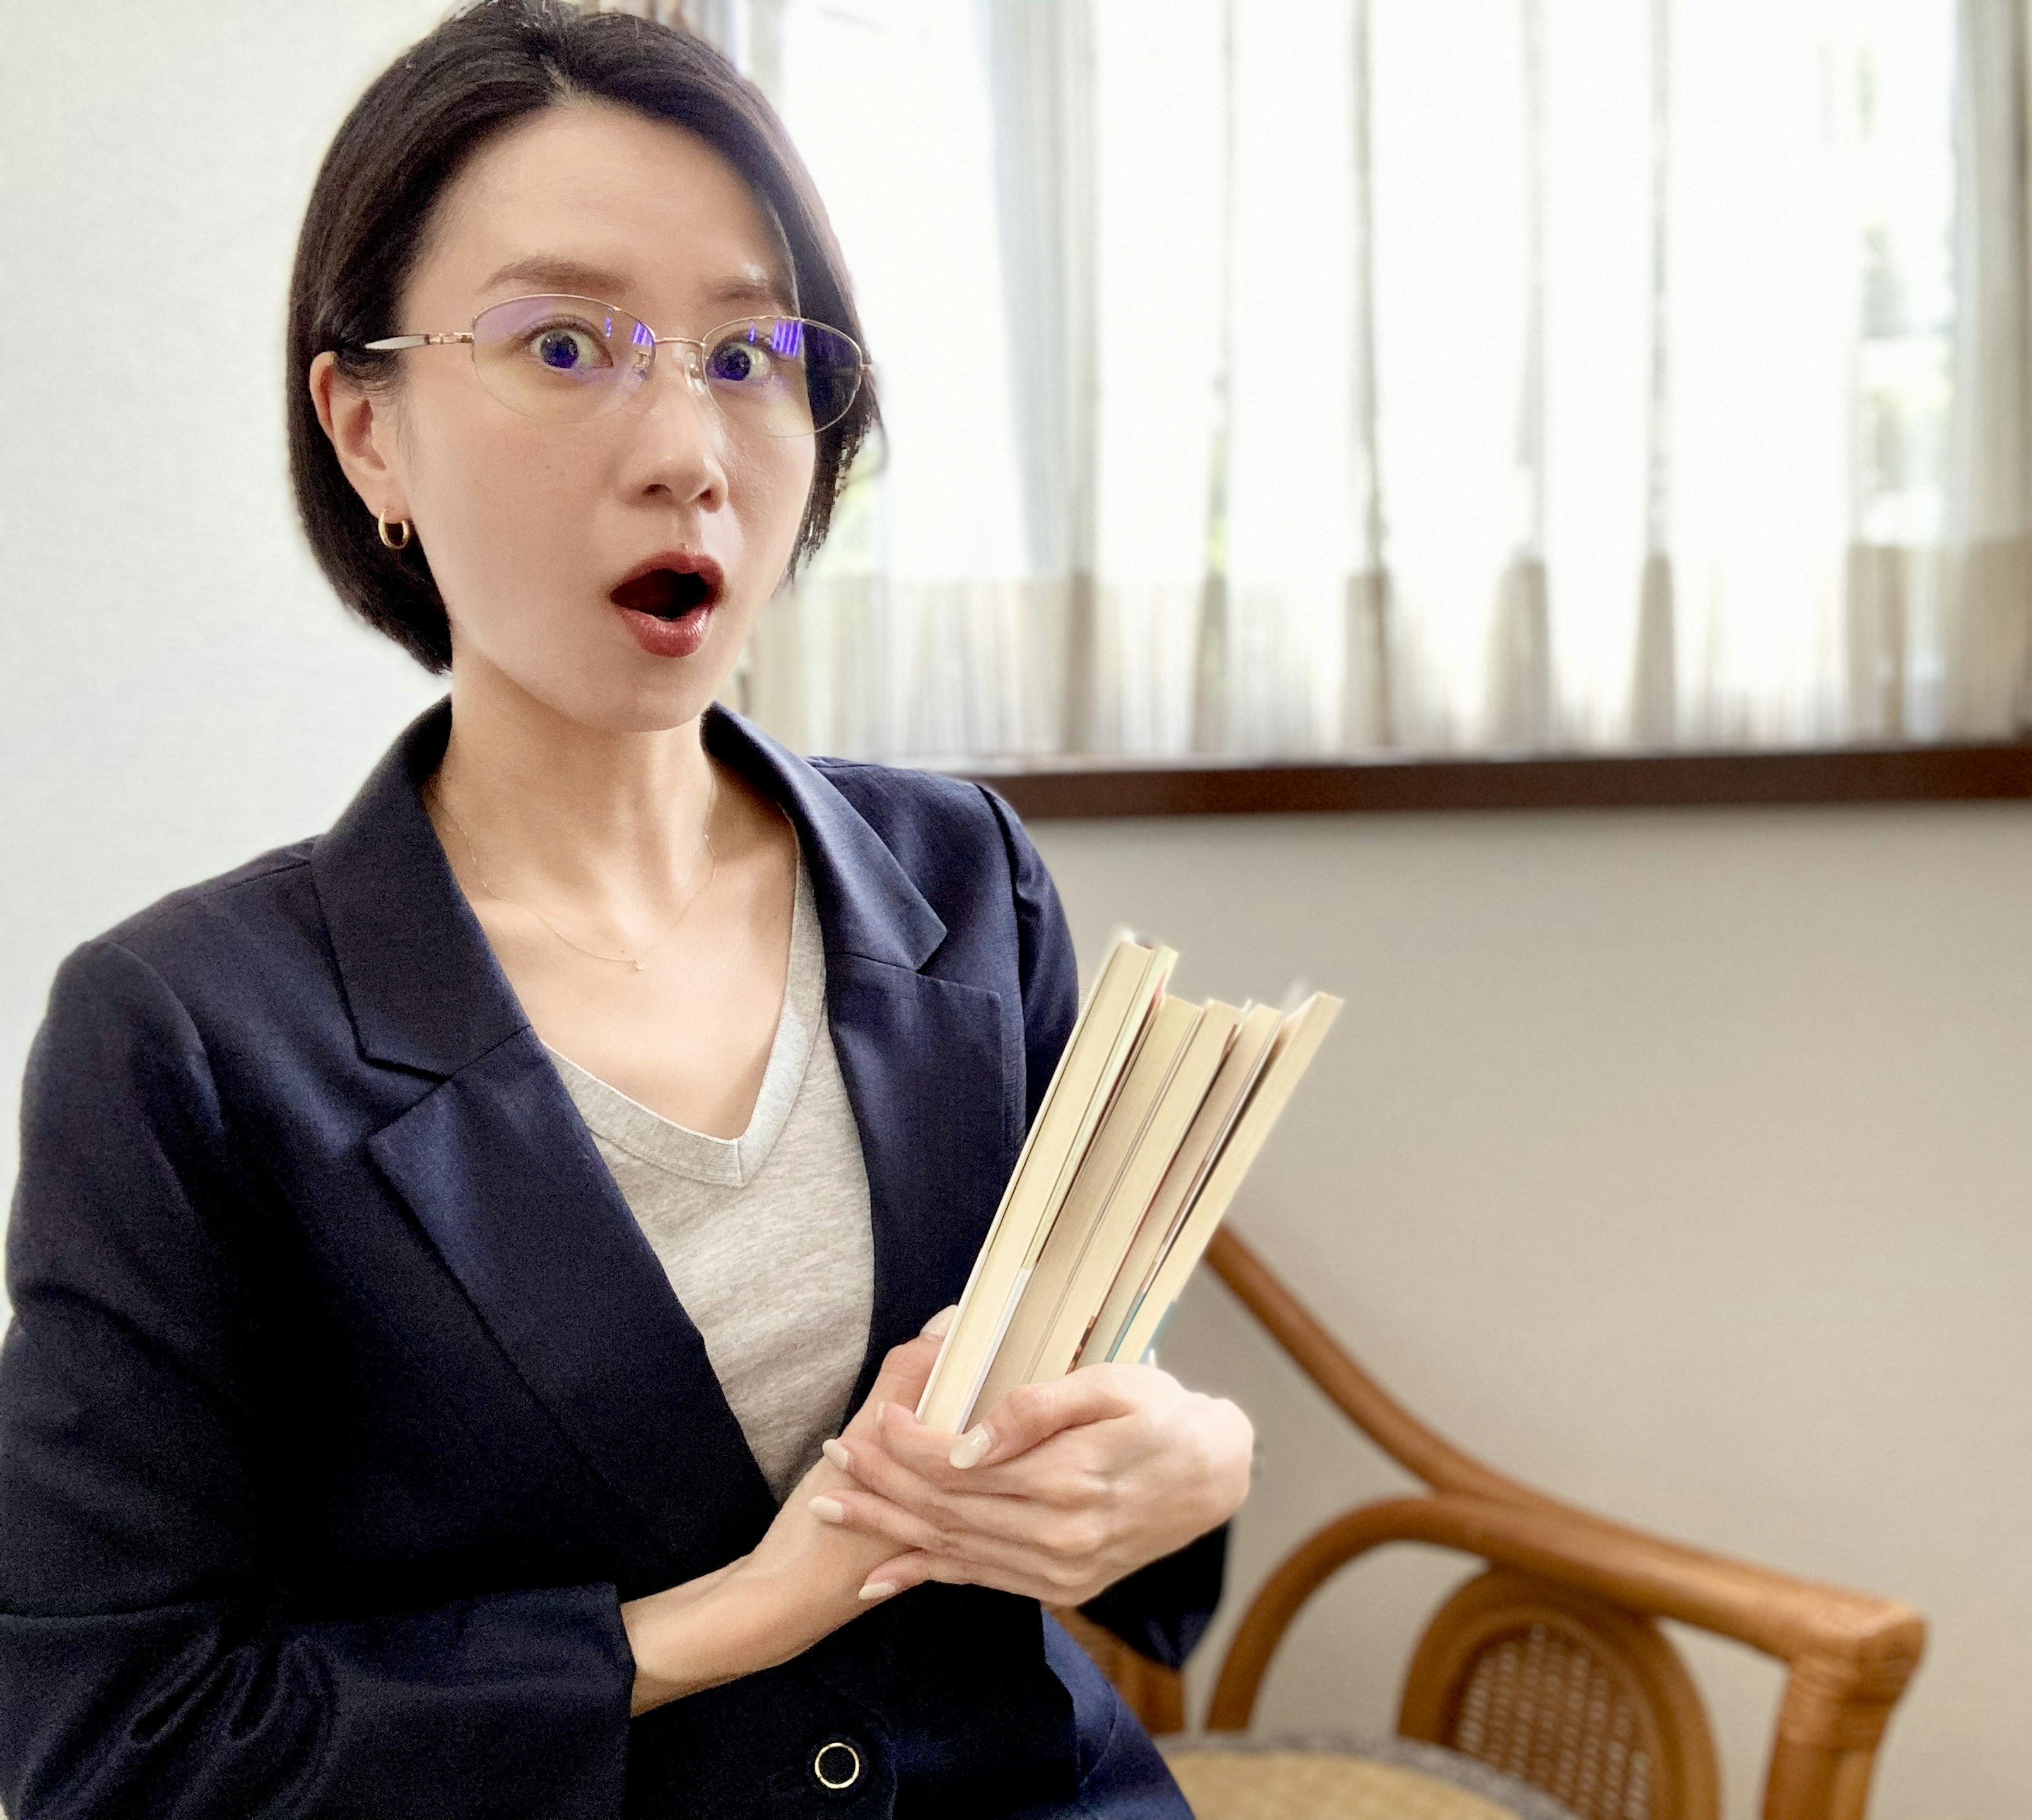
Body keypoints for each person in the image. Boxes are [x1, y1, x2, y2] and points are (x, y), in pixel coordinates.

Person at [0, 4, 1252, 1814]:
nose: (687, 447)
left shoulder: (965, 883)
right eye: (567, 343)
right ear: (367, 428)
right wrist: (724, 1620)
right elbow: (112, 1748)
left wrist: (1191, 1460)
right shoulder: (183, 1035)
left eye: (753, 355)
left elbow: (1082, 1429)